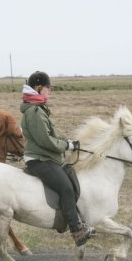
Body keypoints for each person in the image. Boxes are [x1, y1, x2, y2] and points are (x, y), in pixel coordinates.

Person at [19, 71, 95, 247]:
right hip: (39, 159)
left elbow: (48, 137)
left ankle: (76, 219)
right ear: (39, 88)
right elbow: (45, 140)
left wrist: (66, 142)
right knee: (66, 188)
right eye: (48, 88)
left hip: (45, 157)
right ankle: (76, 230)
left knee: (70, 176)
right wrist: (66, 146)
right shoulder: (35, 111)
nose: (50, 91)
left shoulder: (38, 108)